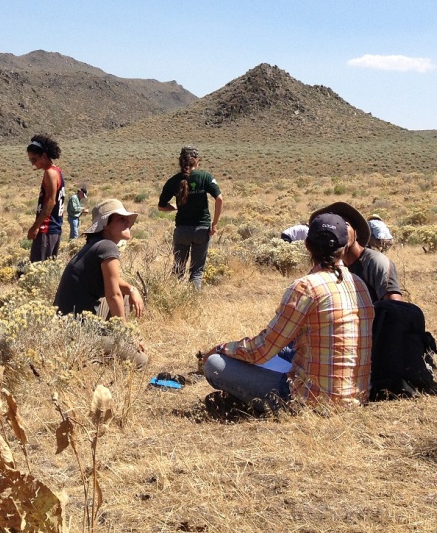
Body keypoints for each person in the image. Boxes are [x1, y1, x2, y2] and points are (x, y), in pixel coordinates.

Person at [203, 210, 374, 409]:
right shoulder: (359, 284)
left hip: (311, 400)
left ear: (307, 245)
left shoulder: (306, 287)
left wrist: (221, 348)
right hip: (356, 398)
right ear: (345, 247)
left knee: (215, 364)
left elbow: (262, 350)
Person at [54, 198, 145, 320]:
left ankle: (111, 333)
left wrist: (131, 289)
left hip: (64, 321)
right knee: (122, 298)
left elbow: (114, 281)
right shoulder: (107, 246)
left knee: (126, 293)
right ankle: (114, 336)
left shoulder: (95, 244)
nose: (127, 222)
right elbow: (113, 295)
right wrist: (123, 333)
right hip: (76, 327)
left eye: (127, 219)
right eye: (121, 219)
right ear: (105, 225)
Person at [157, 146, 223, 289]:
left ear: (180, 161)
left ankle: (174, 300)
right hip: (201, 230)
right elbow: (219, 199)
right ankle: (193, 304)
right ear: (197, 160)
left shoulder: (173, 181)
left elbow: (161, 206)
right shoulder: (205, 177)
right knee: (197, 272)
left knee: (178, 270)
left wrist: (174, 207)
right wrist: (215, 224)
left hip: (182, 230)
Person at [315, 202, 404, 304]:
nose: (339, 231)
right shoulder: (330, 266)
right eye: (334, 227)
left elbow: (396, 307)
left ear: (356, 233)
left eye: (345, 225)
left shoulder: (375, 263)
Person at [25, 133, 65, 262]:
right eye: (30, 160)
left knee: (38, 268)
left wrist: (35, 226)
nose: (33, 163)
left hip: (47, 229)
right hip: (54, 228)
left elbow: (50, 201)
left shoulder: (50, 173)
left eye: (34, 159)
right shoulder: (57, 171)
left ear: (44, 155)